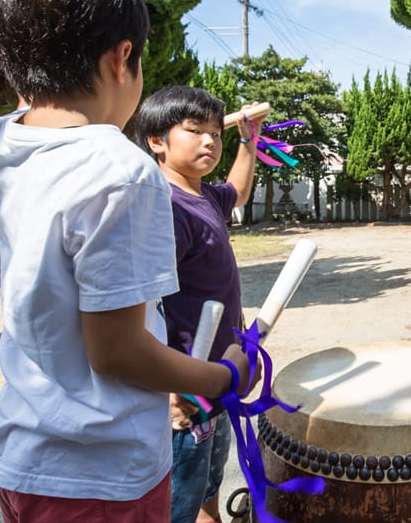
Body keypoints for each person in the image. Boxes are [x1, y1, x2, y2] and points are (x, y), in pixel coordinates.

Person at [0, 0, 254, 522]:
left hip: (23, 451)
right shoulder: (119, 171)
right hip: (99, 470)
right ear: (123, 57)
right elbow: (118, 353)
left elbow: (33, 93)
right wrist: (222, 377)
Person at [135, 86, 264, 523]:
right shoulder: (169, 208)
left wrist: (249, 138)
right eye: (194, 131)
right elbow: (146, 304)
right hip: (184, 386)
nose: (210, 140)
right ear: (157, 141)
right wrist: (169, 384)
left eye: (215, 132)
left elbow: (239, 191)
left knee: (209, 481)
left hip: (215, 374)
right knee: (179, 498)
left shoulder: (203, 196)